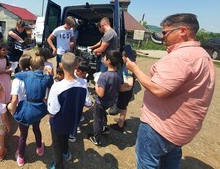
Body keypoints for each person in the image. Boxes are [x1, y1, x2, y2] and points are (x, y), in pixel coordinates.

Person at [126, 13, 215, 168]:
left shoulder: (180, 57)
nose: (163, 36)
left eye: (166, 32)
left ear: (182, 31)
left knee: (147, 163)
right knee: (170, 160)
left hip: (159, 127)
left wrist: (135, 68)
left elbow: (159, 89)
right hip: (180, 129)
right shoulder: (202, 55)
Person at [8, 56, 53, 167]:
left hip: (25, 110)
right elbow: (51, 82)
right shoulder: (45, 78)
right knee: (36, 129)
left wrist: (13, 112)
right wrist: (50, 73)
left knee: (23, 135)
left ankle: (21, 157)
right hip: (38, 109)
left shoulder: (24, 76)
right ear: (42, 66)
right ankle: (39, 147)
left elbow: (16, 76)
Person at [47, 52, 89, 169]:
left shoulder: (57, 86)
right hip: (73, 120)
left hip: (59, 122)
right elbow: (88, 103)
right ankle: (66, 152)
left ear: (60, 65)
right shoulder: (83, 83)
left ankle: (58, 165)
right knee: (65, 136)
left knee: (56, 144)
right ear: (76, 65)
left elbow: (52, 111)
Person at [88, 50, 123, 146]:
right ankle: (105, 127)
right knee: (103, 113)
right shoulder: (118, 74)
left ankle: (96, 138)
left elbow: (100, 94)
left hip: (101, 102)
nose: (103, 58)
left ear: (108, 61)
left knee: (97, 120)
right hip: (111, 101)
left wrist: (96, 85)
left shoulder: (104, 76)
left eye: (105, 57)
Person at [110, 50, 137, 132]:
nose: (122, 58)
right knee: (123, 107)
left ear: (126, 57)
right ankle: (121, 120)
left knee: (122, 108)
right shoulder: (132, 65)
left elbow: (130, 83)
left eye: (123, 56)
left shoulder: (128, 69)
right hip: (127, 91)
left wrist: (122, 86)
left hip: (125, 92)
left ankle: (120, 125)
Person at [69, 60, 93, 142]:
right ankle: (73, 133)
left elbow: (88, 102)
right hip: (77, 107)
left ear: (84, 73)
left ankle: (72, 135)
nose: (75, 71)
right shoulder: (84, 82)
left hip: (71, 106)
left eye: (78, 71)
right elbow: (88, 103)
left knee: (72, 121)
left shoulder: (81, 83)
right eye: (76, 69)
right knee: (75, 119)